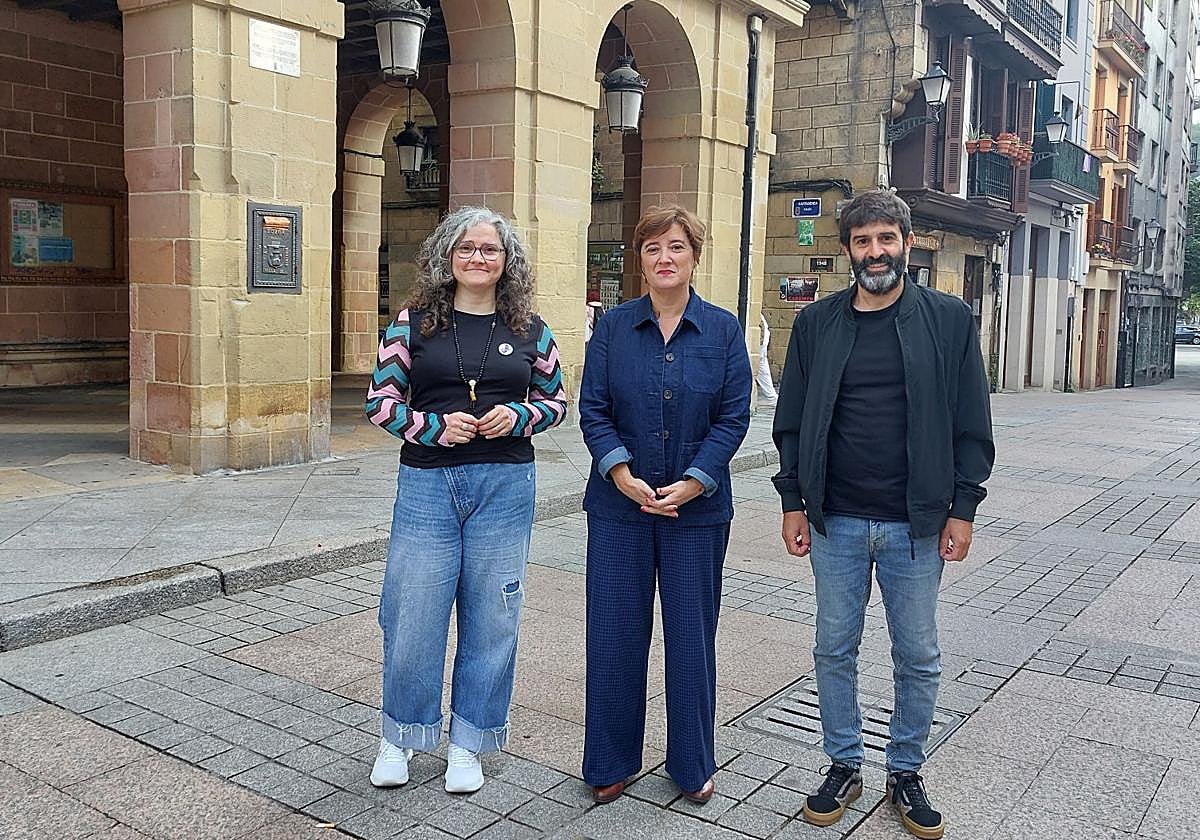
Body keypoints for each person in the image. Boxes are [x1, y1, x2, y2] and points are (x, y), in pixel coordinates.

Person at [771, 189, 994, 840]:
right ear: (847, 250)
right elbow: (791, 421)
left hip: (915, 523)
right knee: (833, 647)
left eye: (886, 239)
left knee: (918, 653)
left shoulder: (949, 320)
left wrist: (963, 507)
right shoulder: (817, 325)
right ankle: (845, 763)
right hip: (835, 520)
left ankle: (905, 770)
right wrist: (792, 500)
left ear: (906, 243)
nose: (876, 252)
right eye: (863, 241)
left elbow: (971, 422)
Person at [364, 206, 567, 794]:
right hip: (428, 483)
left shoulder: (531, 329)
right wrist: (432, 427)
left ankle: (469, 742)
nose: (478, 257)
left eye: (490, 249)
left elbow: (557, 402)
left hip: (505, 485)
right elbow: (380, 402)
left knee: (493, 615)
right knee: (411, 613)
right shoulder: (413, 324)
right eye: (467, 248)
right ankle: (401, 735)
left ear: (507, 261)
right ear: (447, 256)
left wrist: (519, 416)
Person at [579, 205, 752, 805]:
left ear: (694, 257)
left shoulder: (723, 331)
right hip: (619, 509)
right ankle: (609, 760)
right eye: (653, 248)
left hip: (696, 514)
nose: (665, 258)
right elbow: (593, 409)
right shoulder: (612, 328)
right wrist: (620, 473)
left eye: (676, 247)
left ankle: (691, 762)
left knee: (691, 638)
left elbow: (733, 417)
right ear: (640, 260)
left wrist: (697, 480)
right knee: (614, 634)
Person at [756, 311, 779, 408]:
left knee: (761, 370)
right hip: (761, 344)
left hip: (760, 344)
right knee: (762, 371)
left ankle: (772, 398)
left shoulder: (757, 315)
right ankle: (772, 397)